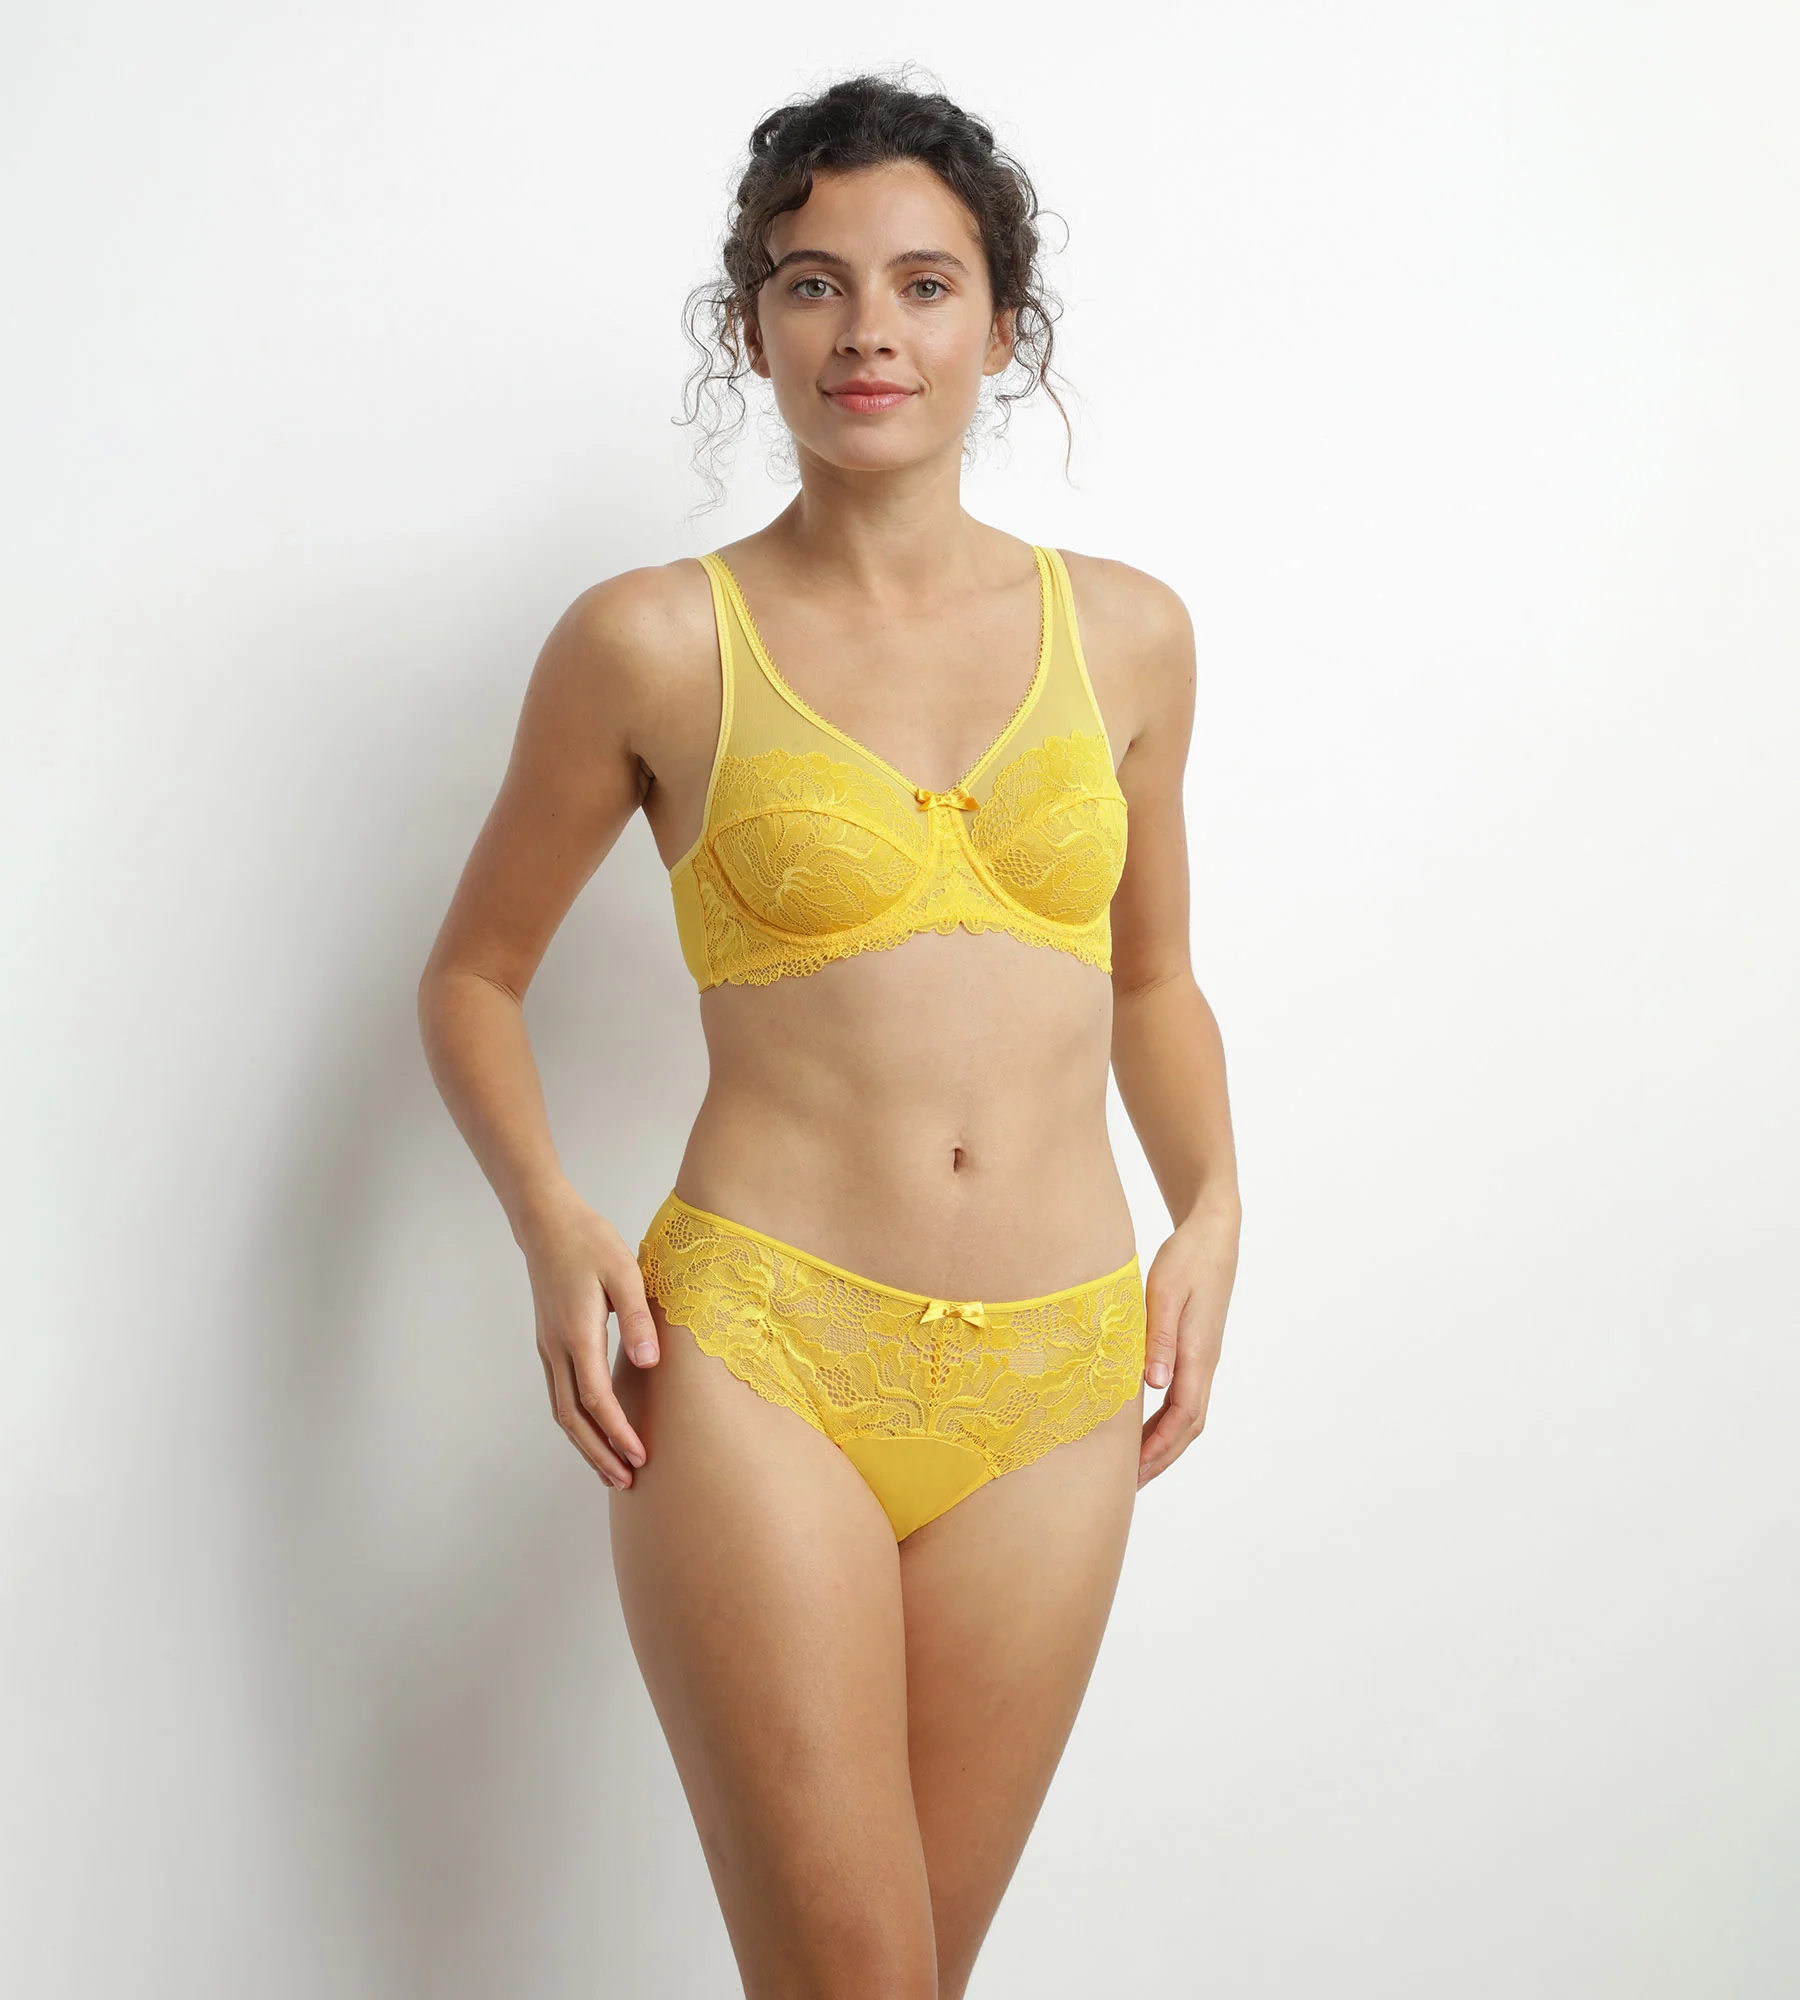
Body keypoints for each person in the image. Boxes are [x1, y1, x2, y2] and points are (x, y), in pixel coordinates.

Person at [417, 71, 1240, 2000]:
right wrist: (550, 1217)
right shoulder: (650, 641)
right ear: (753, 326)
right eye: (814, 283)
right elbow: (472, 975)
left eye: (924, 284)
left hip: (1059, 1374)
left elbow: (1154, 978)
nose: (870, 328)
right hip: (761, 1358)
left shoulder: (1130, 635)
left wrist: (1212, 1207)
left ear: (1000, 328)